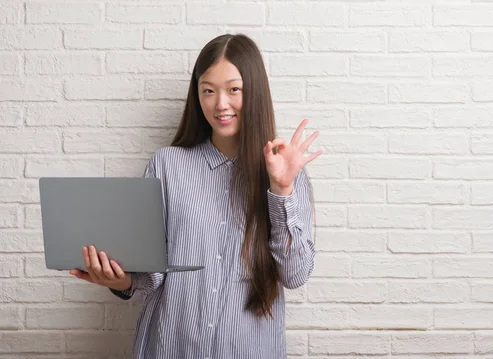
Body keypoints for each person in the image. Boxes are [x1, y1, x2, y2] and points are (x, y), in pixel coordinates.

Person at [68, 33, 322, 358]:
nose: (220, 104)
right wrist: (121, 281)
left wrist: (282, 190)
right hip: (171, 346)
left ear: (254, 92)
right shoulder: (167, 165)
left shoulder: (285, 171)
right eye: (208, 90)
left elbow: (296, 275)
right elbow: (151, 273)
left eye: (234, 89)